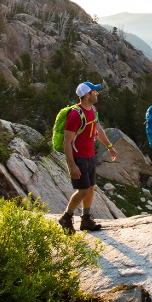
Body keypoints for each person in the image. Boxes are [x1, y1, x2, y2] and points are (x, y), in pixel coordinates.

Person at [59, 81, 117, 233]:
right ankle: (66, 216)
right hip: (79, 158)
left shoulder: (93, 110)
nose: (97, 93)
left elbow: (99, 131)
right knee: (83, 190)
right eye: (94, 91)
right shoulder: (75, 115)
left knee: (90, 188)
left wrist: (109, 146)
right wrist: (71, 165)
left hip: (90, 156)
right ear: (87, 94)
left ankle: (86, 220)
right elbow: (67, 141)